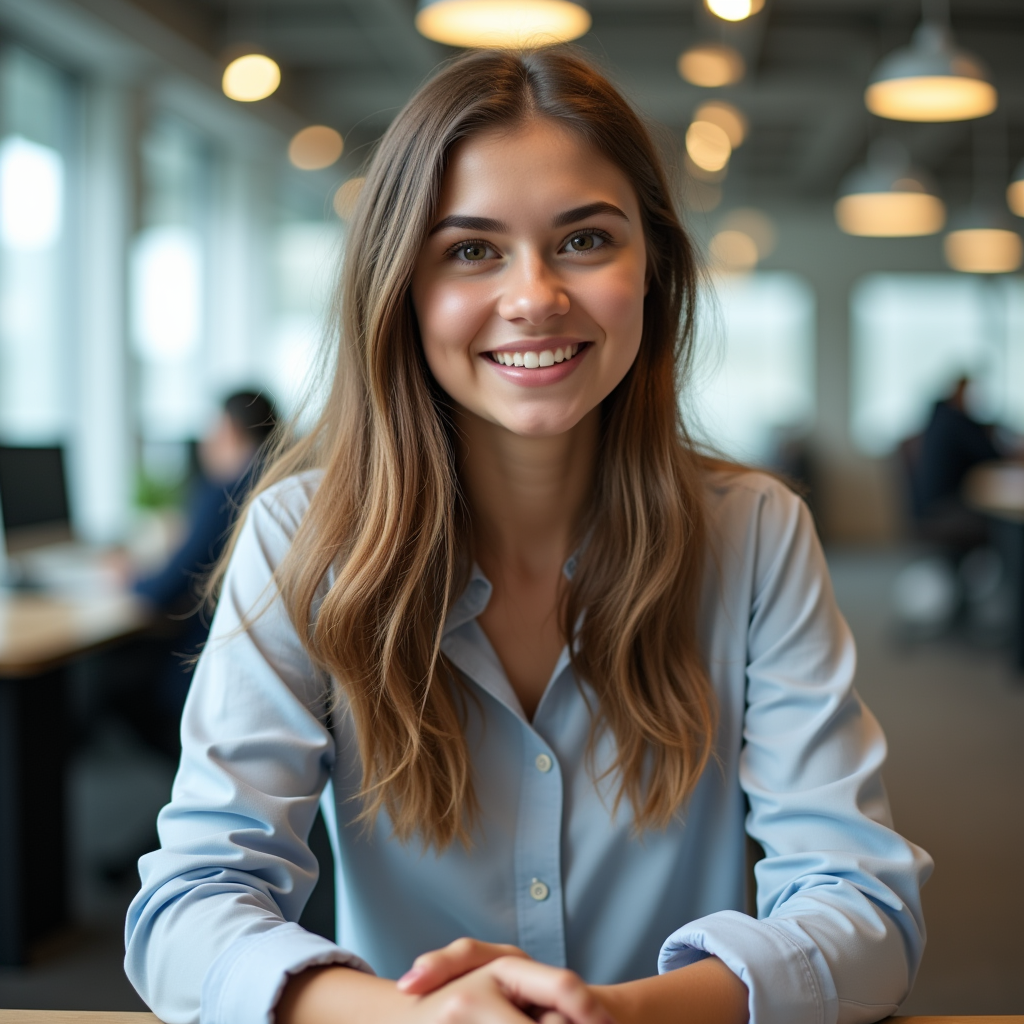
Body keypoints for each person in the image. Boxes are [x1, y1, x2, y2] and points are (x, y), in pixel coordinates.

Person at [125, 49, 931, 1024]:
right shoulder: (303, 538)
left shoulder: (754, 533)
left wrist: (625, 1012)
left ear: (653, 269)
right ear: (402, 287)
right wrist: (411, 1018)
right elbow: (184, 912)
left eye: (585, 239)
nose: (536, 295)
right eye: (471, 250)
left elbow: (866, 909)